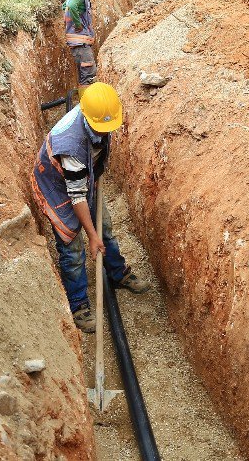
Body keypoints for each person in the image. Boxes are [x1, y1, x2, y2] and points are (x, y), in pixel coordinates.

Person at [31, 82, 149, 332]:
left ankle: (118, 273)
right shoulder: (71, 146)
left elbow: (100, 145)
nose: (106, 131)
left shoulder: (102, 117)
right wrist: (91, 237)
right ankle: (79, 304)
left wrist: (98, 232)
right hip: (56, 185)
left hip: (85, 176)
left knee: (105, 227)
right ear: (86, 116)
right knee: (72, 248)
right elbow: (76, 197)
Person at [64, 0, 106, 96]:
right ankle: (88, 105)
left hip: (77, 44)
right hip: (80, 44)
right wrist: (77, 24)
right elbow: (70, 6)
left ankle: (84, 103)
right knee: (89, 74)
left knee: (84, 75)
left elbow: (64, 6)